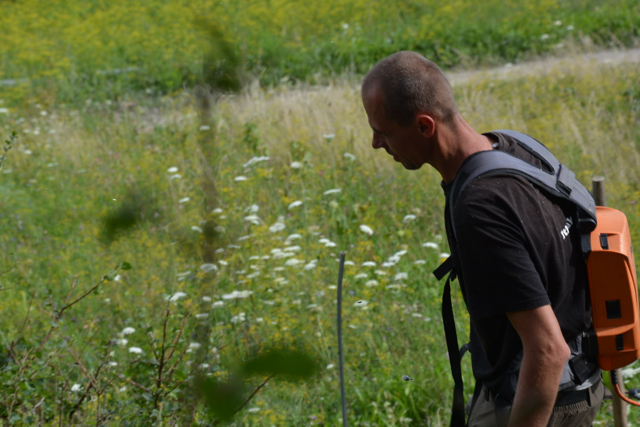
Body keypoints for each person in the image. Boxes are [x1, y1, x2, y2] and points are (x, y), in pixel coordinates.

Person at [361, 51, 605, 427]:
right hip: (583, 383)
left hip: (535, 399)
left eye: (384, 131)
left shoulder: (479, 208)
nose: (376, 143)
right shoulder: (519, 149)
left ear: (425, 126)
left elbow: (546, 349)